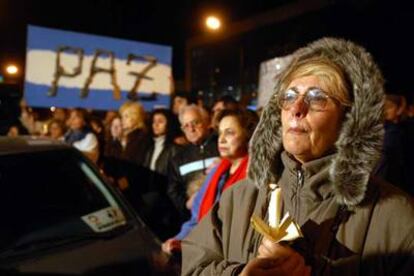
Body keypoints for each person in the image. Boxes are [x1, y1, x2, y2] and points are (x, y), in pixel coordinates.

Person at [181, 38, 414, 275]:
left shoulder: (395, 215)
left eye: (318, 97)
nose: (296, 108)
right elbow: (192, 266)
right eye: (290, 96)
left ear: (350, 120)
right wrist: (238, 274)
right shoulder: (237, 199)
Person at [162, 109, 258, 254]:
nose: (222, 139)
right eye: (220, 133)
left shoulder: (255, 176)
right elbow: (196, 217)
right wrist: (179, 239)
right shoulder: (217, 170)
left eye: (230, 132)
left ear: (247, 136)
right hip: (204, 248)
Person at [167, 104, 219, 223]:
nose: (191, 129)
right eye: (186, 126)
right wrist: (186, 204)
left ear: (206, 122)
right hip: (195, 219)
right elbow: (173, 191)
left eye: (195, 122)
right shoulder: (178, 159)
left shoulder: (221, 148)